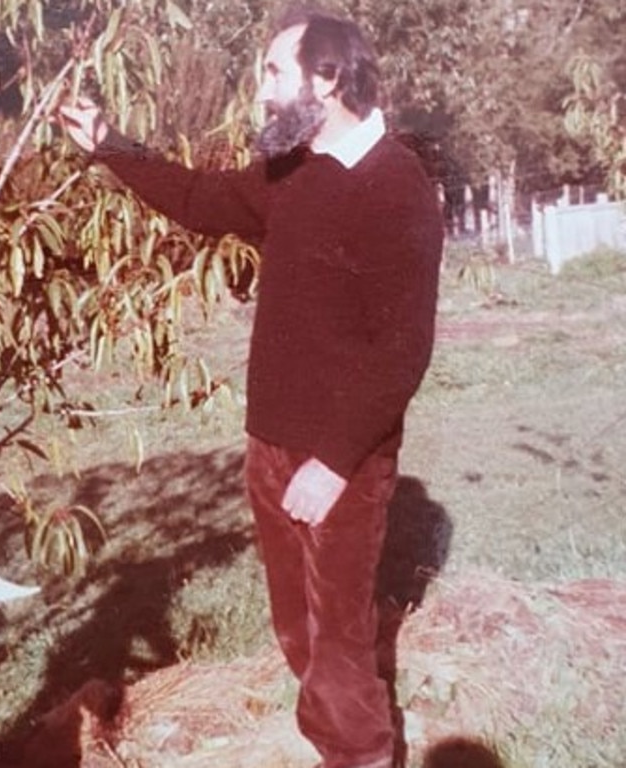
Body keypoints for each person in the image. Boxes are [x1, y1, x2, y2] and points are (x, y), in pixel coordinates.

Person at [59, 7, 443, 768]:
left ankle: (362, 755)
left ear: (327, 78)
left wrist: (332, 466)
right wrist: (112, 147)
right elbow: (203, 202)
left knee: (335, 647)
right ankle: (338, 738)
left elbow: (402, 351)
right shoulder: (291, 171)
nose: (261, 91)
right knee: (298, 632)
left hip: (342, 466)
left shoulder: (398, 186)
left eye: (274, 72)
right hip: (269, 447)